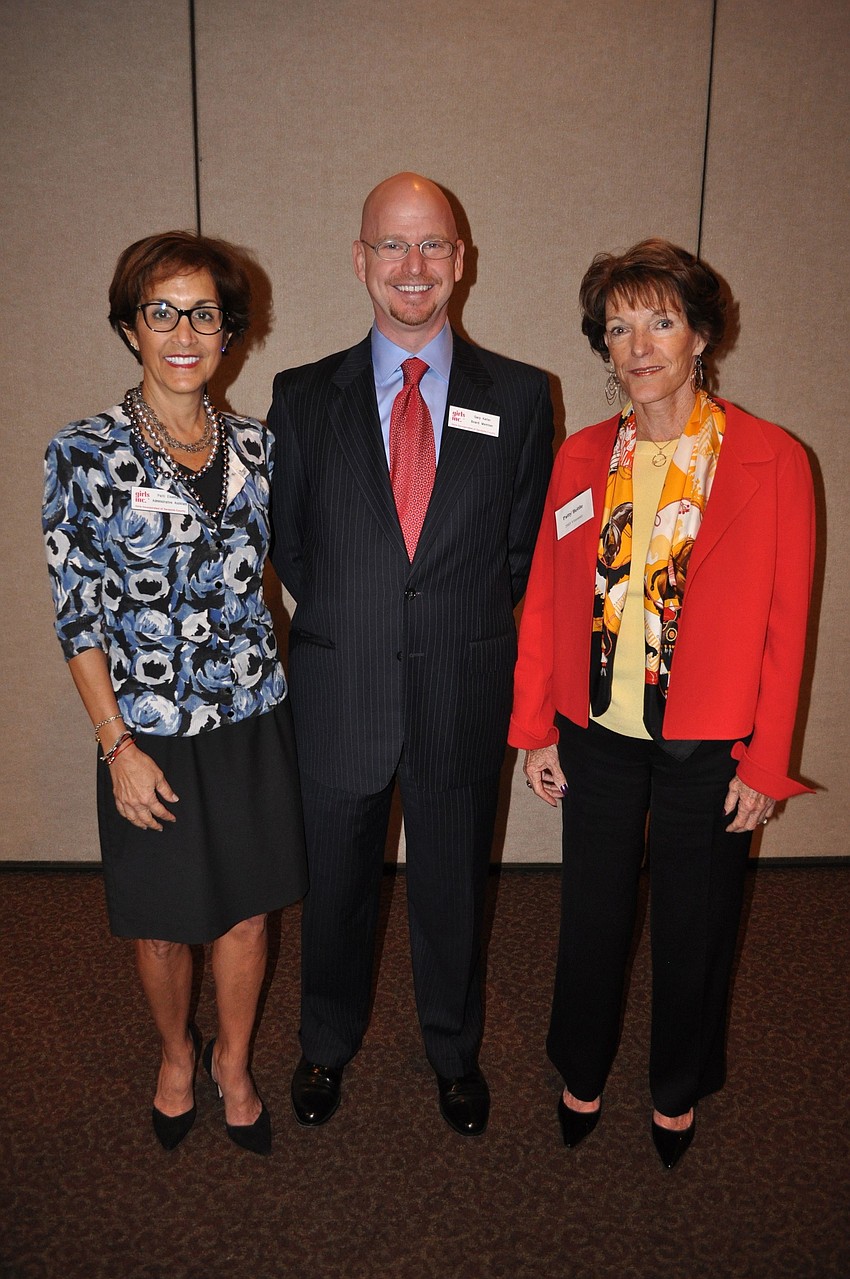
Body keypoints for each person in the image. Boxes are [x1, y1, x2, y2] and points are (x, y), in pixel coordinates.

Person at [509, 239, 815, 1168]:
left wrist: (765, 763)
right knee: (591, 917)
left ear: (701, 334)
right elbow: (547, 598)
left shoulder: (771, 460)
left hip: (710, 746)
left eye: (661, 321)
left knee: (696, 924)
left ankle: (677, 1086)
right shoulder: (580, 459)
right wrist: (532, 728)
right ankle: (581, 1068)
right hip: (597, 733)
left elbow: (785, 624)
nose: (638, 345)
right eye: (618, 326)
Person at [269, 172, 553, 1135]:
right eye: (392, 245)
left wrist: (446, 624)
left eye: (433, 245)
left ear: (461, 261)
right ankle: (325, 1043)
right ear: (360, 260)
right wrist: (364, 617)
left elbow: (518, 554)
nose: (413, 267)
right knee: (337, 887)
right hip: (342, 685)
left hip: (459, 687)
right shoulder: (301, 396)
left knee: (451, 890)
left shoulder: (518, 395)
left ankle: (453, 1051)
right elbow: (293, 544)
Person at [43, 231, 307, 1156]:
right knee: (161, 923)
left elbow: (283, 577)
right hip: (147, 729)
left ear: (230, 331)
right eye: (162, 312)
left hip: (249, 719)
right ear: (130, 328)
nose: (184, 332)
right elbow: (77, 618)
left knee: (245, 912)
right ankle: (175, 1056)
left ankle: (232, 1060)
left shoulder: (258, 448)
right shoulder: (82, 454)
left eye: (205, 313)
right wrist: (116, 745)